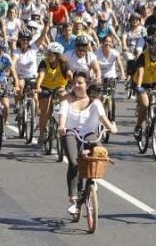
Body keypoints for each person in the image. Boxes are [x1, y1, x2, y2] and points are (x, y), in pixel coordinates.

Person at [58, 72, 117, 214]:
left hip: (89, 134)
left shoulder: (95, 103)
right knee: (74, 162)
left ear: (87, 85)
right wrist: (61, 126)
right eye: (75, 83)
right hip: (70, 132)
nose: (77, 86)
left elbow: (103, 118)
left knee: (100, 153)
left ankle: (91, 181)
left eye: (80, 83)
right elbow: (63, 116)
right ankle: (73, 198)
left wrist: (111, 127)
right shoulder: (67, 101)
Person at [34, 42, 69, 146]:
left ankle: (63, 121)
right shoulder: (44, 62)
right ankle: (41, 134)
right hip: (45, 87)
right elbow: (41, 74)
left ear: (57, 56)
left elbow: (69, 75)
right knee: (45, 111)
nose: (48, 56)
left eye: (50, 54)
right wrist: (38, 87)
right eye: (47, 53)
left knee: (64, 97)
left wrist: (72, 81)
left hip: (59, 86)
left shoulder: (64, 63)